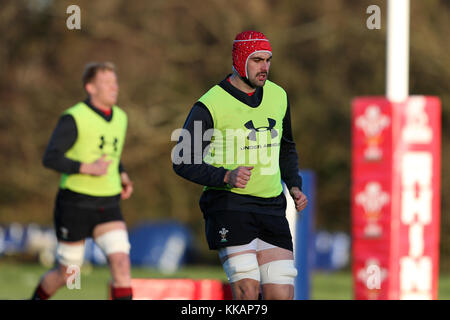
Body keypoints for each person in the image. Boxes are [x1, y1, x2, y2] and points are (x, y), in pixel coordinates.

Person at [173, 31, 308, 300]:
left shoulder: (278, 96)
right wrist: (225, 176)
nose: (265, 67)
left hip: (271, 207)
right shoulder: (209, 104)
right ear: (240, 60)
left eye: (268, 60)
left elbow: (287, 146)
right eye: (257, 60)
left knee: (281, 294)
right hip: (228, 205)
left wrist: (294, 185)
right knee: (247, 291)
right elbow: (182, 160)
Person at [31, 62, 134, 300]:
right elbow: (51, 158)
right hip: (75, 204)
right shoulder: (74, 117)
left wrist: (123, 174)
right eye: (106, 83)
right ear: (90, 87)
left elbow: (113, 156)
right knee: (68, 273)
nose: (114, 87)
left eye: (115, 81)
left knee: (121, 262)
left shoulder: (121, 117)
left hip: (108, 204)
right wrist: (87, 168)